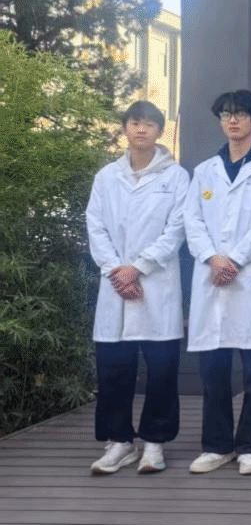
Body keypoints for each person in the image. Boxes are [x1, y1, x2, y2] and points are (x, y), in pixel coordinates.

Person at [184, 90, 251, 477]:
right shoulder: (205, 170)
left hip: (250, 278)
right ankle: (217, 445)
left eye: (241, 114)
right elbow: (192, 221)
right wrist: (213, 258)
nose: (233, 121)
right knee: (214, 372)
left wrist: (235, 260)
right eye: (227, 114)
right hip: (212, 276)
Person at [85, 101, 189, 475]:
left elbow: (176, 229)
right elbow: (95, 226)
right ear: (124, 128)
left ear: (160, 131)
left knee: (161, 368)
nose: (141, 129)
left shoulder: (176, 177)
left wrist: (138, 268)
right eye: (134, 123)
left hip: (155, 284)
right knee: (114, 368)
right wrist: (117, 270)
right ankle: (120, 442)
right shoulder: (106, 177)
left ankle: (155, 443)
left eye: (148, 124)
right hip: (116, 285)